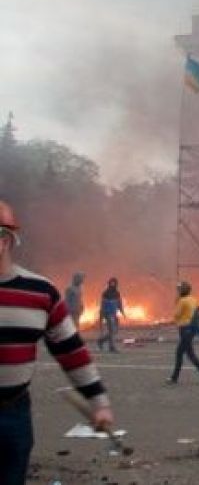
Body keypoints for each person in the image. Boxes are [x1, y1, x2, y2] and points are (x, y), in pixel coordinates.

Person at [0, 200, 113, 483]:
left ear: (5, 240)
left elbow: (72, 353)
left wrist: (98, 402)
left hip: (13, 414)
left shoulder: (41, 292)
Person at [167, 281, 199, 385]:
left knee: (186, 354)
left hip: (185, 329)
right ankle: (175, 377)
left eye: (179, 289)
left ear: (183, 290)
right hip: (191, 329)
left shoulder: (182, 301)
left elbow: (176, 315)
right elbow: (198, 312)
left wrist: (176, 302)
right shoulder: (193, 299)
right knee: (184, 354)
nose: (178, 291)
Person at [96, 277, 125, 353]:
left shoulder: (117, 293)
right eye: (111, 282)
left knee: (115, 331)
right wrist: (101, 316)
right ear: (109, 283)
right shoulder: (105, 293)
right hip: (107, 314)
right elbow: (102, 305)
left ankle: (101, 341)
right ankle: (112, 347)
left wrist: (122, 312)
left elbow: (119, 303)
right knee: (111, 330)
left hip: (114, 314)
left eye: (114, 283)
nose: (113, 284)